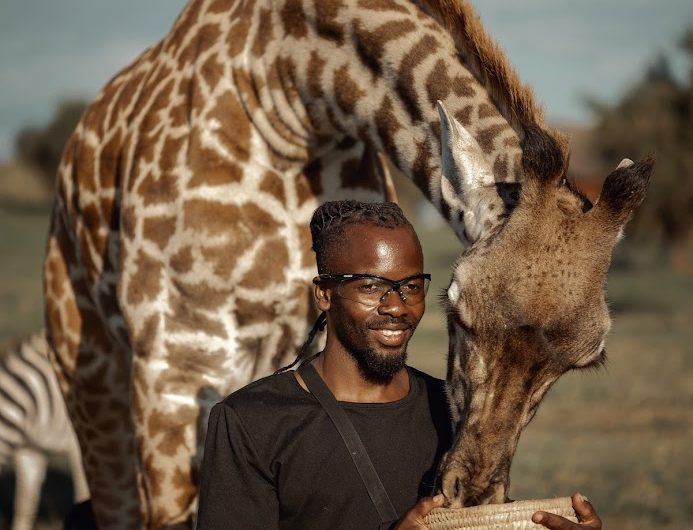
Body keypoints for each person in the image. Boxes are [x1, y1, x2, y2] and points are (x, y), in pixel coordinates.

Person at [196, 200, 602, 530]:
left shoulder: (452, 410)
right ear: (324, 294)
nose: (397, 307)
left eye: (410, 286)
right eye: (371, 287)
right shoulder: (251, 422)